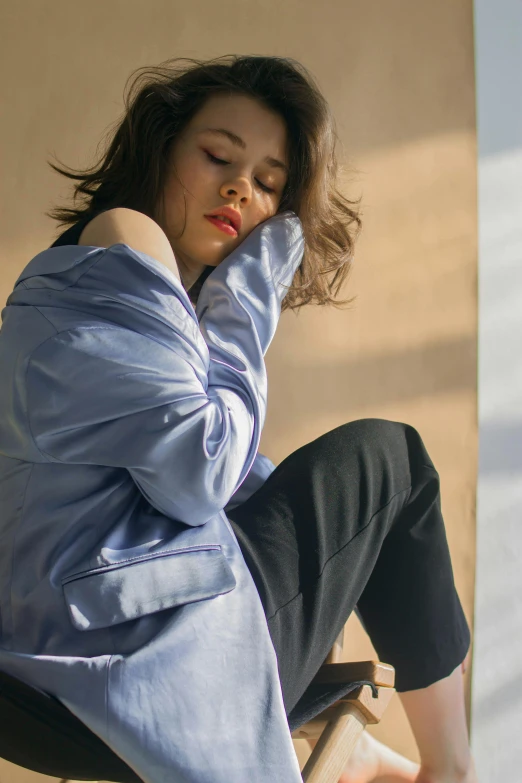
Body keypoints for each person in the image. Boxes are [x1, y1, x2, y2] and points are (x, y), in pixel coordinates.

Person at [0, 54, 477, 783]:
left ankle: (391, 767)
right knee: (393, 461)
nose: (238, 188)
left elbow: (226, 490)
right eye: (218, 155)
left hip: (63, 665)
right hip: (122, 663)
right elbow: (202, 472)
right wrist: (253, 284)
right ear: (163, 150)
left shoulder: (138, 297)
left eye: (268, 184)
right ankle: (455, 770)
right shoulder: (126, 236)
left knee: (304, 520)